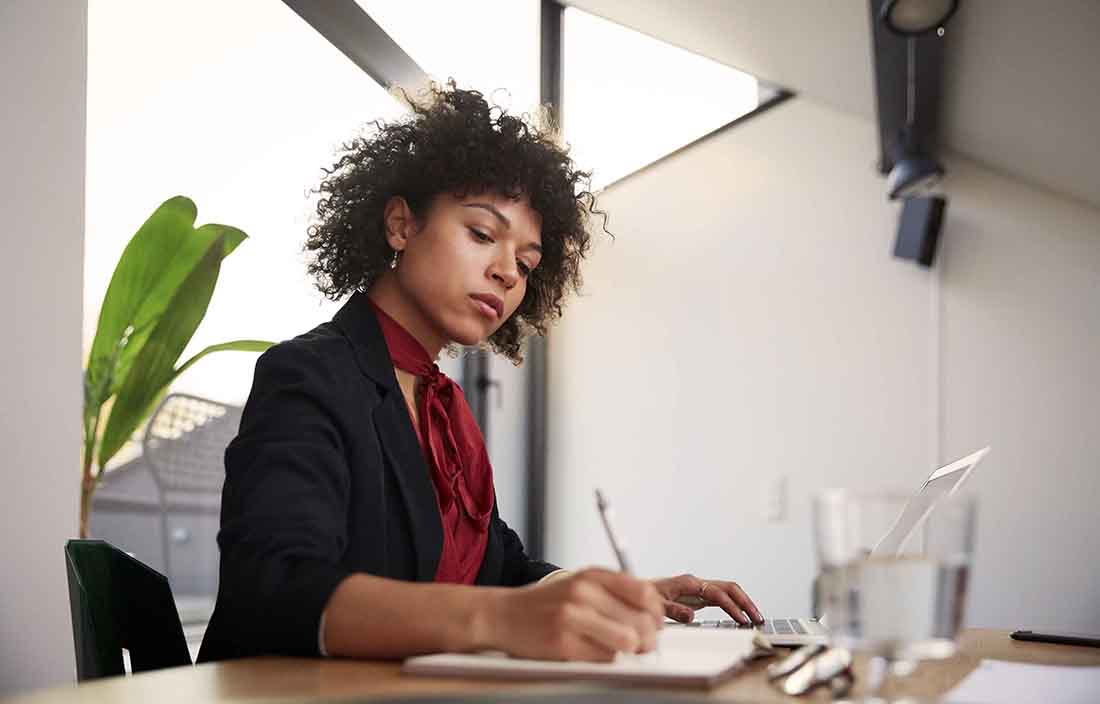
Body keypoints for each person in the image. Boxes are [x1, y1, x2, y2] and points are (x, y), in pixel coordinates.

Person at [197, 80, 762, 664]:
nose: (507, 273)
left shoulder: (445, 410)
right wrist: (500, 618)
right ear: (401, 225)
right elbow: (273, 589)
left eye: (525, 262)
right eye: (482, 234)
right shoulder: (308, 374)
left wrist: (615, 599)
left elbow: (501, 567)